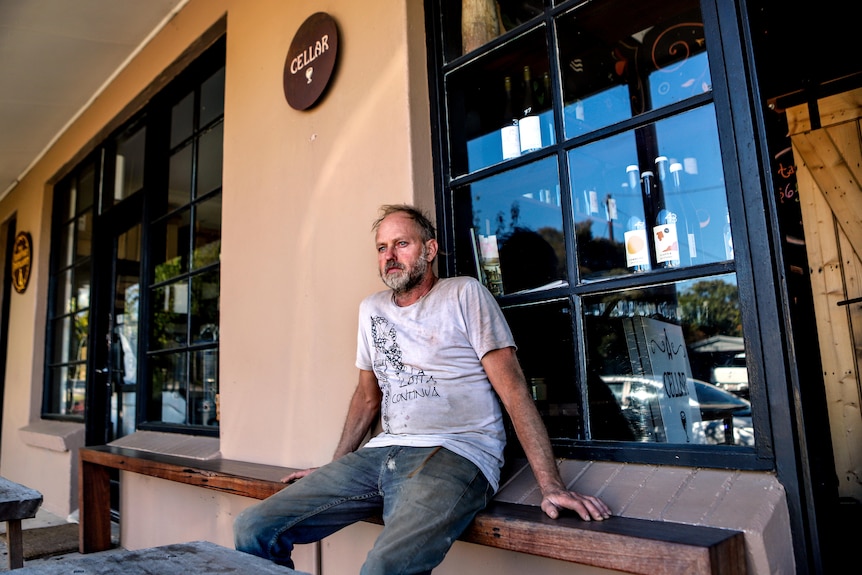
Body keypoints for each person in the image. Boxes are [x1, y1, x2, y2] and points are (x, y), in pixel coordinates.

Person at [233, 204, 611, 574]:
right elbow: (367, 397)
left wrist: (551, 485)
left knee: (385, 567)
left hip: (455, 452)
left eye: (402, 244)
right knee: (253, 527)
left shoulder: (465, 294)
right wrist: (334, 467)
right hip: (380, 453)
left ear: (429, 250)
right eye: (382, 248)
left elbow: (513, 392)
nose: (389, 256)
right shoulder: (371, 310)